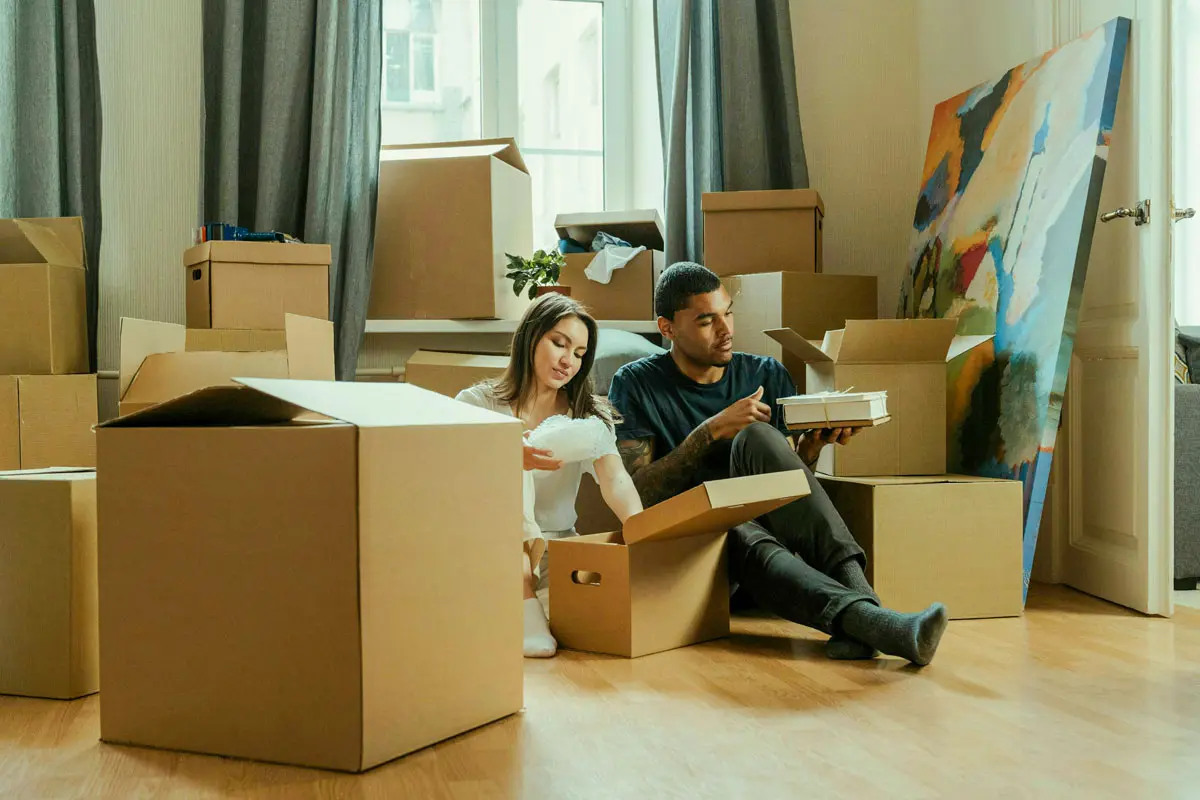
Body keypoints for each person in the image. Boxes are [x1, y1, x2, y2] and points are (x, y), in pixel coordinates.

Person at [608, 262, 948, 665]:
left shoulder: (765, 373)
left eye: (728, 313)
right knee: (732, 522)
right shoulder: (634, 383)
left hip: (780, 555)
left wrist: (811, 450)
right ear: (667, 328)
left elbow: (786, 492)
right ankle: (874, 621)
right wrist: (711, 431)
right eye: (706, 321)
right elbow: (639, 494)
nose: (726, 330)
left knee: (757, 436)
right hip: (702, 556)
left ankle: (866, 614)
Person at [456, 293, 643, 659]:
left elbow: (615, 480)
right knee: (508, 445)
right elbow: (444, 474)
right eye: (559, 343)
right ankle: (521, 595)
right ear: (530, 336)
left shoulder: (587, 418)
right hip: (488, 547)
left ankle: (525, 605)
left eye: (578, 353)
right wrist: (509, 455)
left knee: (598, 623)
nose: (567, 361)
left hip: (557, 552)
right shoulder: (476, 404)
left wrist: (642, 531)